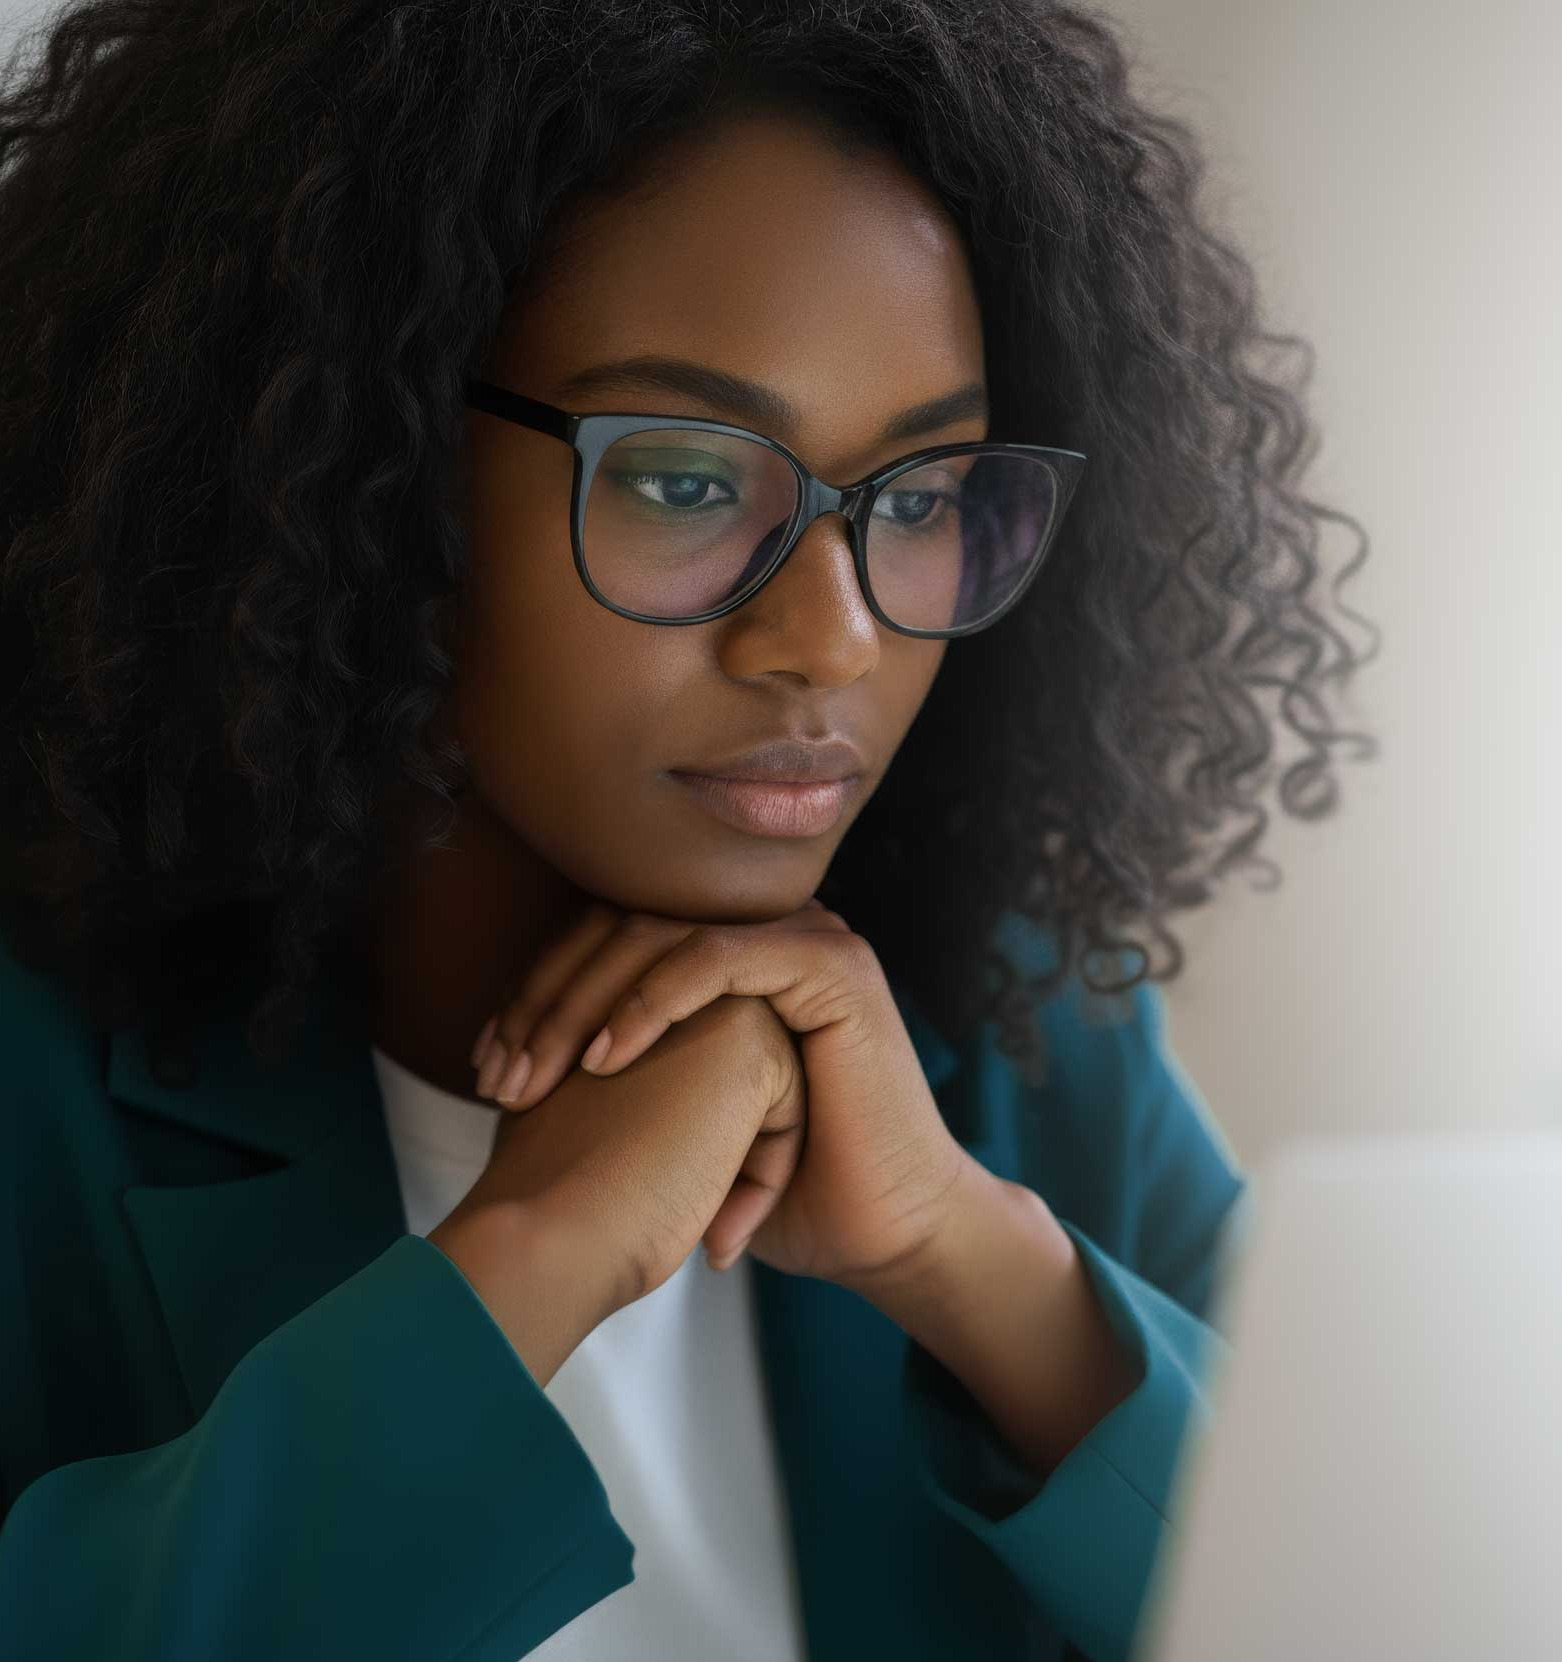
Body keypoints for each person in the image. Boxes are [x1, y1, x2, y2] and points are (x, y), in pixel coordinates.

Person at [0, 2, 1378, 1658]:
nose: (833, 640)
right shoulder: (36, 1094)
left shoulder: (1022, 1031)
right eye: (683, 477)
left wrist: (965, 1254)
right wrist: (532, 1253)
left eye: (923, 496)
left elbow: (1387, 1592)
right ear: (347, 450)